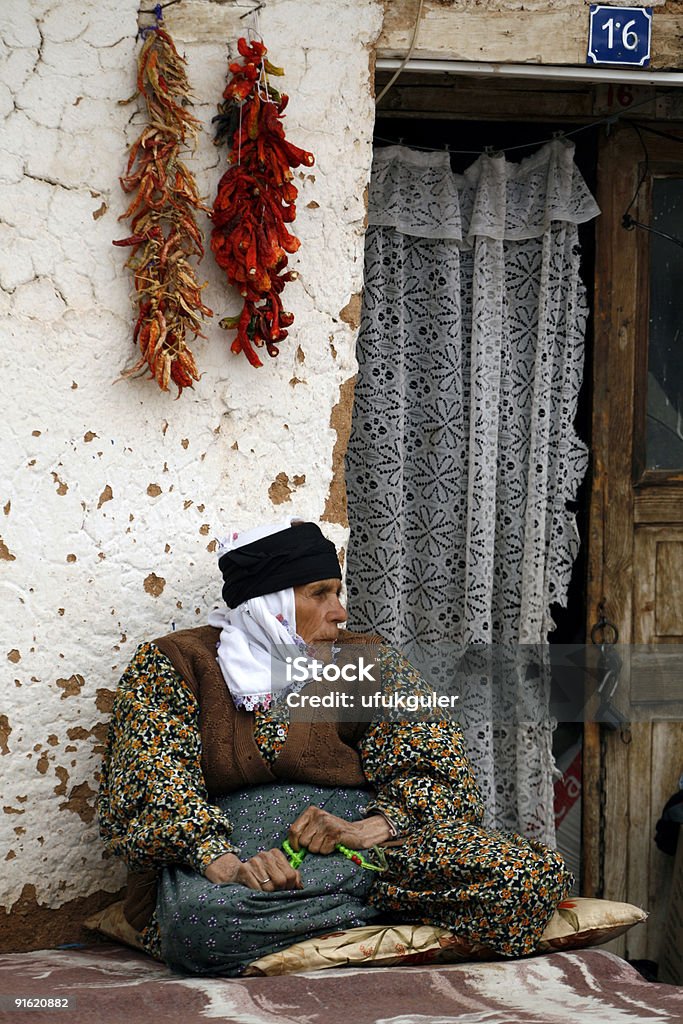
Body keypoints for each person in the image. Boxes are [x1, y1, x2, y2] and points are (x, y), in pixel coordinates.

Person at [97, 518, 572, 976]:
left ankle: (324, 912)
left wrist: (370, 829)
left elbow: (438, 769)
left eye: (338, 592)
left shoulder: (363, 660)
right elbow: (154, 787)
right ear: (270, 600)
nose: (340, 611)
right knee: (197, 926)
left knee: (530, 874)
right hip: (240, 862)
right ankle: (384, 911)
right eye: (319, 593)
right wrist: (225, 864)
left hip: (362, 857)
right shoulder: (177, 663)